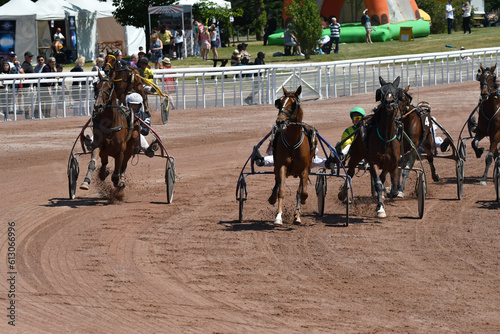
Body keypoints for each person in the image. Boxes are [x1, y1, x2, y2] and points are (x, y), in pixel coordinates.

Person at [126, 93, 158, 157]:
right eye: (131, 105)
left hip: (136, 141)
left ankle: (148, 150)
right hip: (123, 137)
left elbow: (146, 131)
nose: (133, 107)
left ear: (139, 106)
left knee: (137, 133)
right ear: (128, 105)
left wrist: (140, 129)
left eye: (135, 106)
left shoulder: (144, 116)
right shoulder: (123, 115)